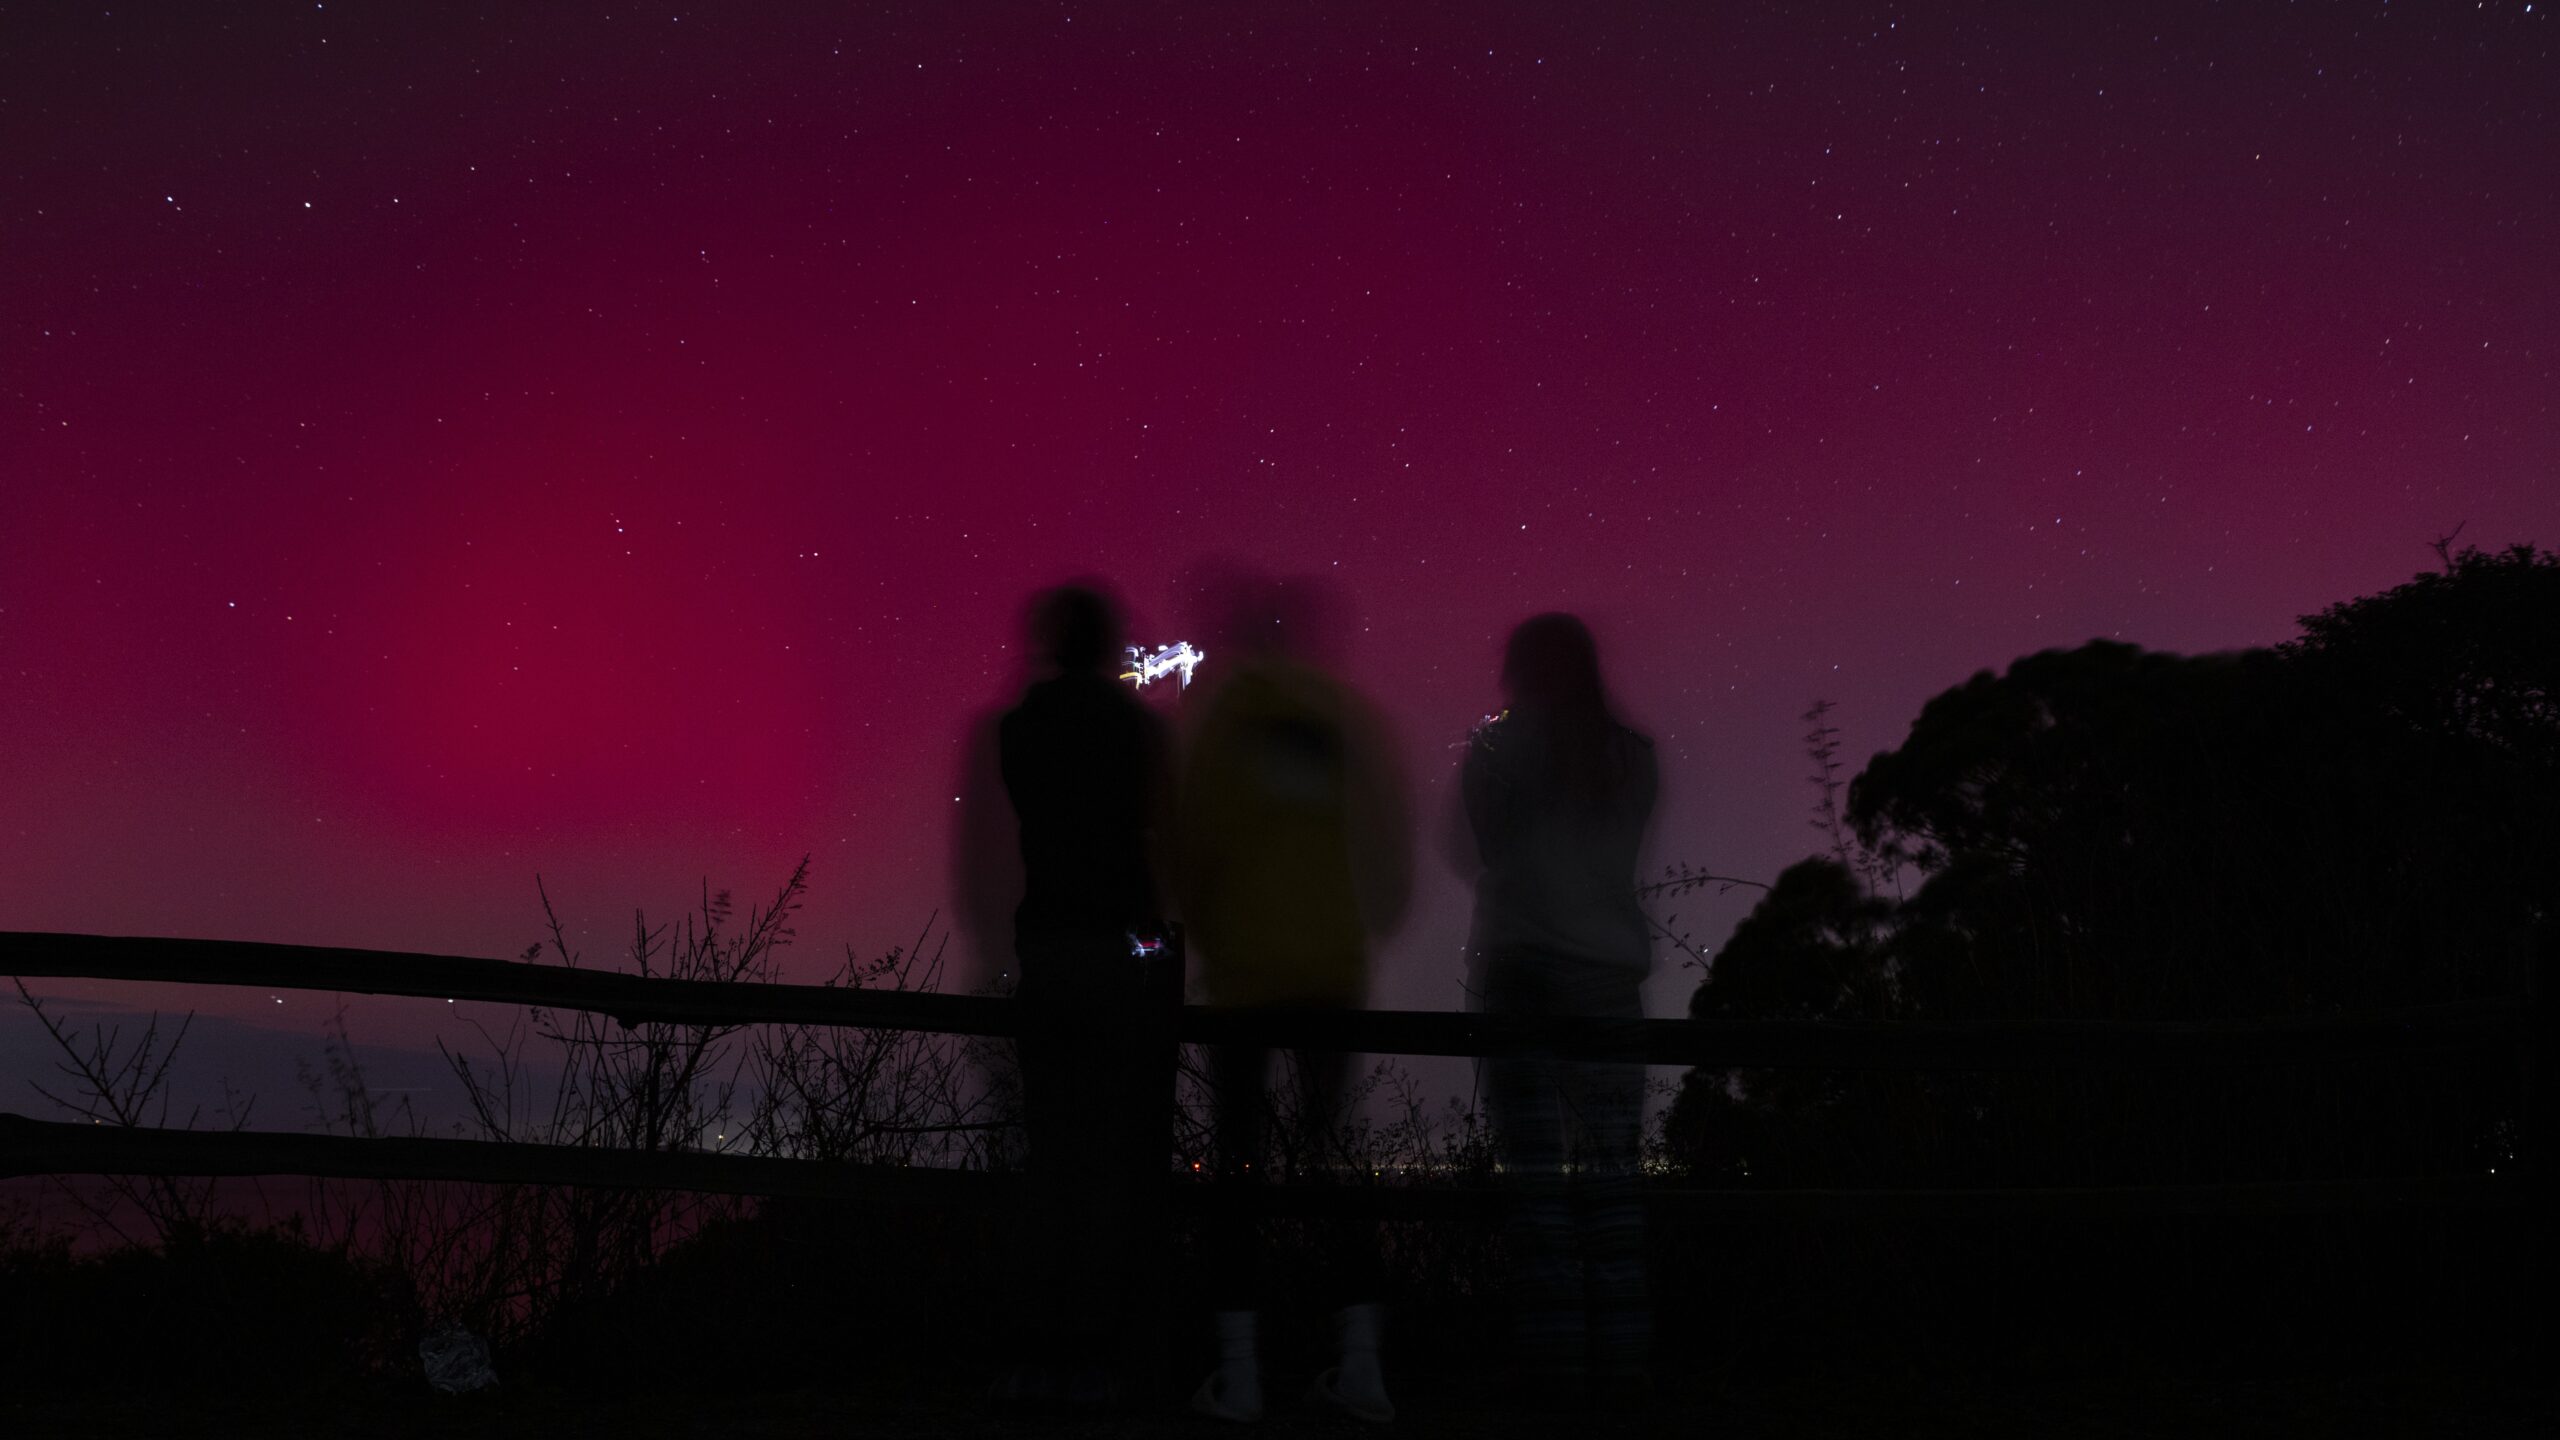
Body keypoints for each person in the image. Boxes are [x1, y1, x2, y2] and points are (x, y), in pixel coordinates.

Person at [1177, 572, 1412, 1425]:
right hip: (1330, 970)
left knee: (1237, 1169)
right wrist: (1367, 921)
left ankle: (1239, 1379)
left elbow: (1189, 840)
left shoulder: (1224, 720)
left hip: (1243, 975)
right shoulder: (1346, 719)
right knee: (1335, 1160)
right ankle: (1362, 1369)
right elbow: (1386, 840)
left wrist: (1204, 933)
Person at [1459, 612, 1657, 1405]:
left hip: (1524, 978)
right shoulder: (1631, 757)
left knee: (1537, 1185)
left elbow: (1485, 849)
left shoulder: (1498, 752)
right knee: (1613, 1180)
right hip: (1610, 980)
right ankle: (1625, 1367)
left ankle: (1554, 1370)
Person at [993, 582, 1177, 1410]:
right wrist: (1150, 950)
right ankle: (1100, 1353)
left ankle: (1038, 1351)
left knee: (1048, 1155)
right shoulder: (1139, 733)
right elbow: (1153, 846)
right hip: (1113, 956)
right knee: (1109, 1157)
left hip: (1049, 952)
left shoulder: (1021, 731)